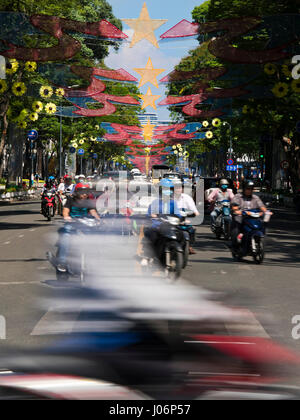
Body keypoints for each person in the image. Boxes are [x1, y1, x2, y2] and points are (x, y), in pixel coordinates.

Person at [56, 183, 100, 272]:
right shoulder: (70, 200)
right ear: (77, 192)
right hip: (72, 224)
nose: (84, 194)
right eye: (82, 192)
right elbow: (65, 211)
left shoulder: (89, 202)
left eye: (86, 192)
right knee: (65, 237)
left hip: (85, 224)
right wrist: (66, 217)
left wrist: (98, 219)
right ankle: (62, 262)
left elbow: (93, 211)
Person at [230, 180, 269, 250]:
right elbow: (234, 207)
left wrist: (266, 212)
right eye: (248, 189)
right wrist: (237, 210)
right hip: (241, 219)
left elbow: (262, 206)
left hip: (253, 219)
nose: (249, 191)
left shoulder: (255, 197)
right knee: (236, 229)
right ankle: (235, 246)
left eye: (251, 189)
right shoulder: (238, 196)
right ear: (244, 188)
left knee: (262, 226)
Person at [174, 182, 199, 254]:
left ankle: (190, 246)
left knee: (192, 229)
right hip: (173, 218)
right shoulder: (170, 198)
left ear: (182, 189)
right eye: (176, 188)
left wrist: (195, 213)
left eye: (180, 188)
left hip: (185, 218)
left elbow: (193, 209)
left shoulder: (187, 198)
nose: (178, 190)